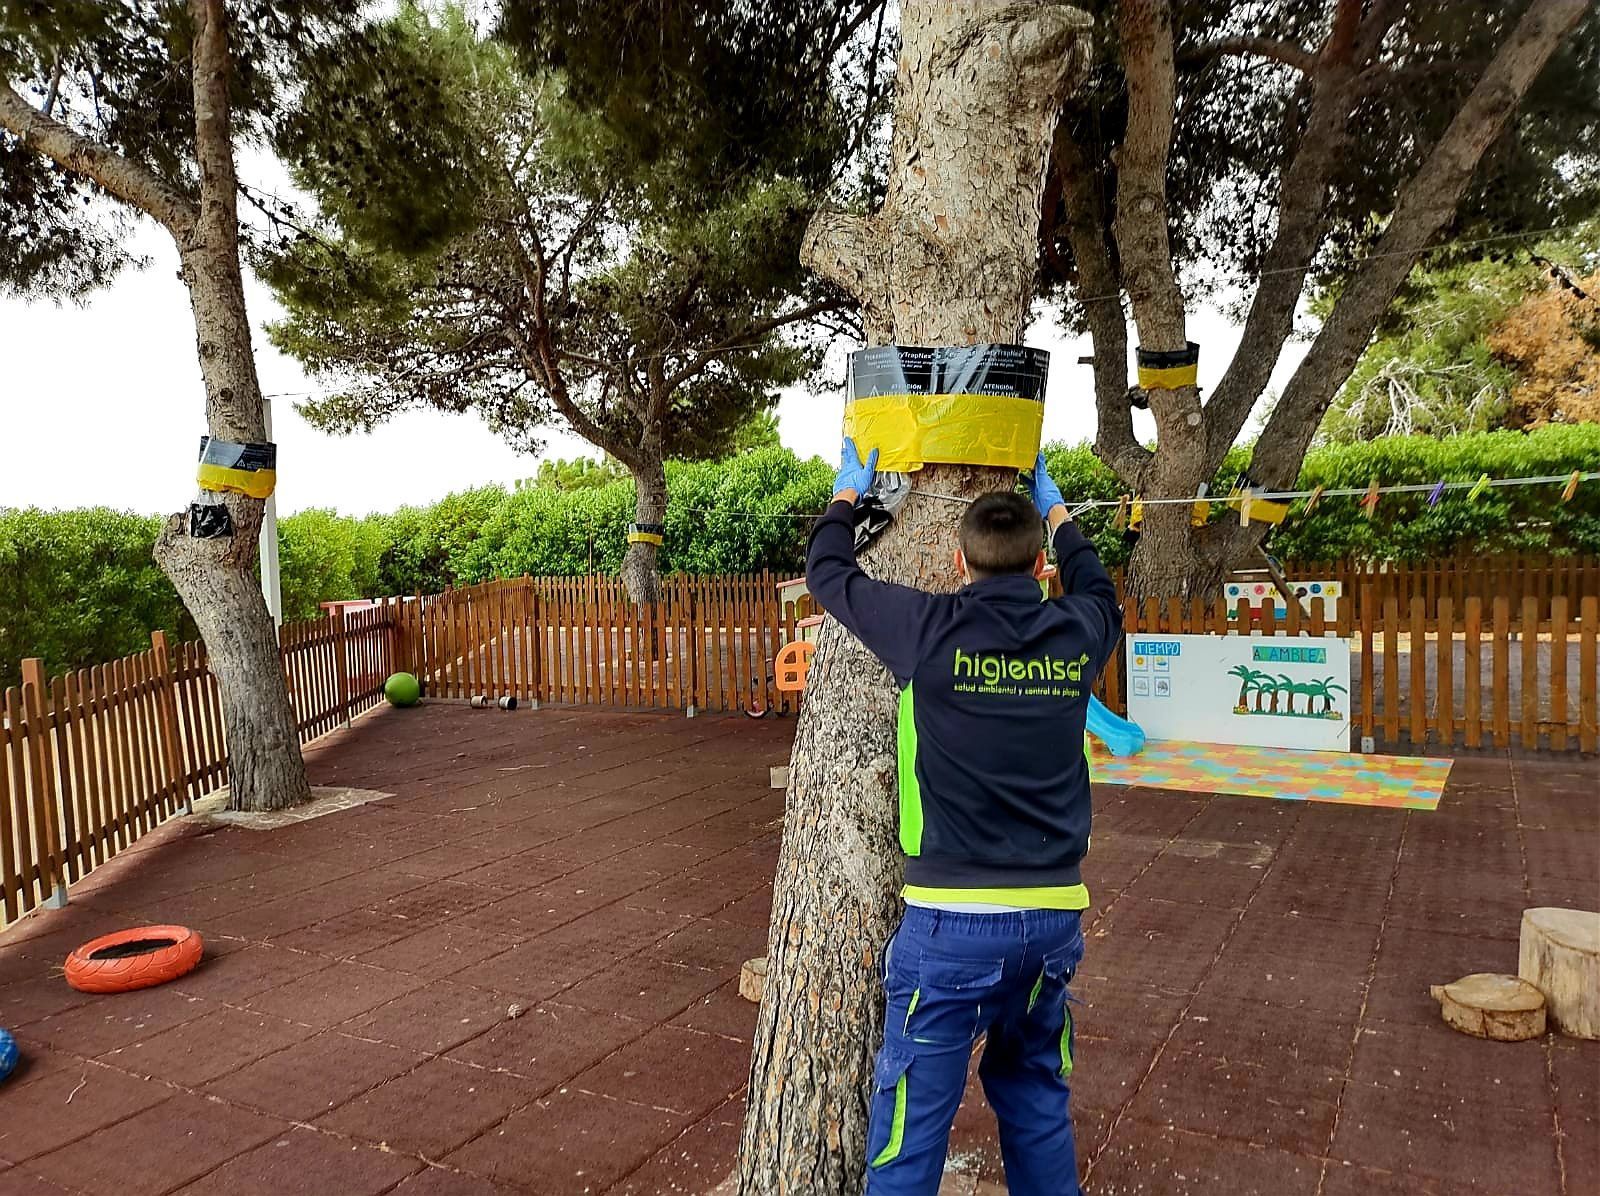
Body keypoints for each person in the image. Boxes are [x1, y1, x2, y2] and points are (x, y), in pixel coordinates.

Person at [804, 439, 1122, 1196]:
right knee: (1039, 1103)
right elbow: (1099, 588)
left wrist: (850, 494)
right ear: (1041, 570)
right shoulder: (1076, 632)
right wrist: (1059, 509)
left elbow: (828, 574)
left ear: (957, 562)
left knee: (910, 1138)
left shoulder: (931, 631)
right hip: (1051, 924)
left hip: (950, 929)